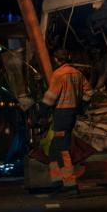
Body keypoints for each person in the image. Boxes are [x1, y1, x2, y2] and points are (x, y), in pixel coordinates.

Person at [39, 49, 93, 191]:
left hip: (61, 115)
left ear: (56, 60)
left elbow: (50, 97)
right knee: (53, 149)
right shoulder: (78, 74)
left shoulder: (58, 74)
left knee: (62, 148)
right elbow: (89, 92)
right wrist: (81, 107)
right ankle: (56, 180)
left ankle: (69, 182)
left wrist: (41, 111)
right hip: (71, 114)